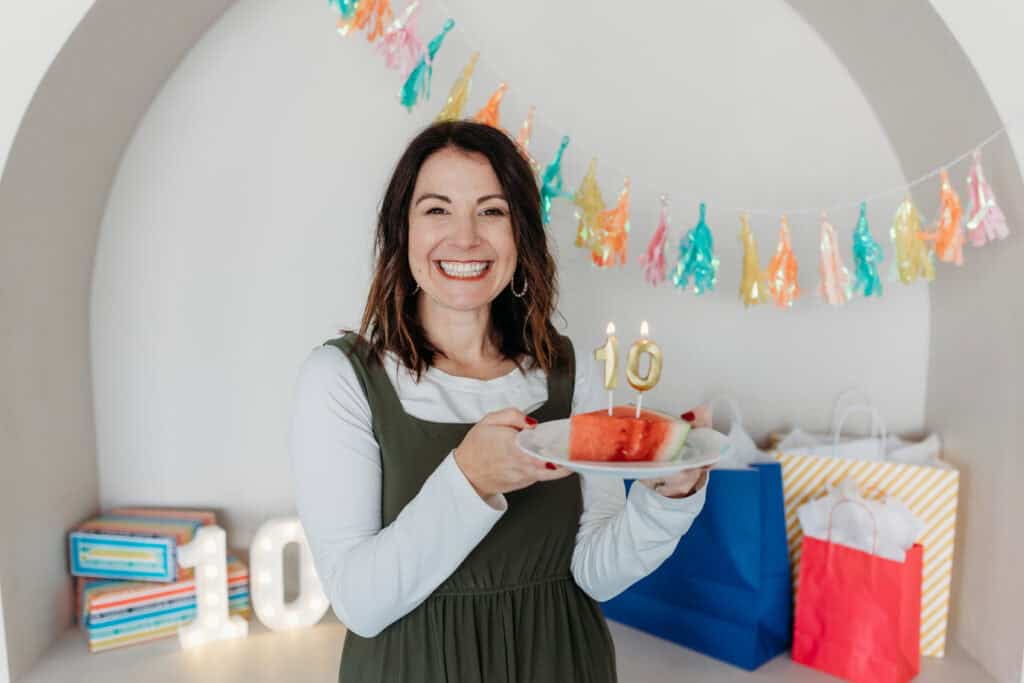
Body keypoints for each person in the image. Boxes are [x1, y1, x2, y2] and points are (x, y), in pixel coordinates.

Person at [288, 120, 709, 682]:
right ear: (401, 232)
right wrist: (469, 477)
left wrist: (668, 497)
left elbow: (596, 573)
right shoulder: (341, 379)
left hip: (563, 661)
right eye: (437, 209)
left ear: (521, 235)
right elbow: (359, 604)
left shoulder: (569, 371)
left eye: (491, 211)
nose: (465, 237)